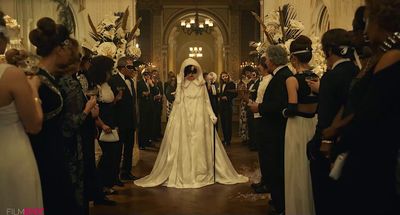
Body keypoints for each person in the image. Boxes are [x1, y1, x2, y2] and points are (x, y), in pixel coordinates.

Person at [134, 58, 248, 188]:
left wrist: (211, 115)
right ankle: (186, 171)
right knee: (185, 143)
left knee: (199, 144)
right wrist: (179, 85)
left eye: (194, 72)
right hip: (185, 119)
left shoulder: (201, 85)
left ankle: (201, 171)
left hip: (200, 119)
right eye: (189, 72)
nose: (192, 75)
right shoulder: (182, 85)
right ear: (185, 73)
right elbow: (177, 102)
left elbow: (206, 102)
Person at [337, 0, 400, 214]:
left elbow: (368, 112)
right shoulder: (384, 55)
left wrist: (338, 139)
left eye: (367, 22)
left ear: (380, 21)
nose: (365, 30)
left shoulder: (392, 56)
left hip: (376, 158)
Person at [28, 17, 82, 215]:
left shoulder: (50, 78)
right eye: (68, 48)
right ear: (60, 49)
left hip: (55, 152)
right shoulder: (36, 79)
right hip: (44, 154)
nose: (71, 54)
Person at [0, 10, 43, 211]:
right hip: (11, 156)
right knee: (20, 207)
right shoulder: (11, 75)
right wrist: (33, 89)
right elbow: (34, 125)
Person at [248, 45, 293, 215]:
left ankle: (281, 206)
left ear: (273, 60)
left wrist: (259, 107)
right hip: (272, 129)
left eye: (266, 58)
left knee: (275, 169)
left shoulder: (282, 76)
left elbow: (279, 104)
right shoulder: (280, 75)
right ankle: (278, 202)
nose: (264, 62)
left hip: (274, 131)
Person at [284, 35, 318, 215]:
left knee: (297, 167)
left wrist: (282, 112)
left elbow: (292, 107)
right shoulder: (316, 76)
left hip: (296, 126)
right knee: (309, 165)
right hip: (313, 123)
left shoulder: (292, 80)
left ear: (293, 58)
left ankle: (298, 209)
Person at [108, 56, 138, 181]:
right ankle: (115, 176)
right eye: (130, 67)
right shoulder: (113, 80)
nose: (132, 69)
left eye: (132, 67)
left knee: (129, 148)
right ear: (121, 67)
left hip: (130, 120)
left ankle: (126, 172)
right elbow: (110, 103)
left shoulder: (130, 81)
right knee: (118, 149)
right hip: (120, 121)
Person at [137, 68, 155, 149]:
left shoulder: (150, 82)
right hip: (143, 105)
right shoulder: (139, 83)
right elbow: (138, 93)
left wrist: (151, 84)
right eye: (146, 74)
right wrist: (143, 94)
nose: (147, 75)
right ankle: (142, 143)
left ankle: (148, 141)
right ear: (143, 75)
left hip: (150, 105)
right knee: (143, 124)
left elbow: (155, 91)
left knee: (149, 124)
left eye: (148, 74)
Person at [219, 72, 237, 146]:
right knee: (223, 123)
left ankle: (228, 140)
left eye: (226, 76)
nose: (225, 77)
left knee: (228, 124)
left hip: (228, 106)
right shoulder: (221, 85)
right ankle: (225, 139)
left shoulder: (231, 84)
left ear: (228, 76)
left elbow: (235, 94)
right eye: (223, 76)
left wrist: (227, 97)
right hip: (221, 106)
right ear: (221, 78)